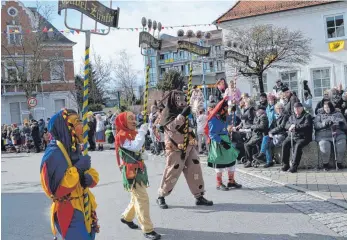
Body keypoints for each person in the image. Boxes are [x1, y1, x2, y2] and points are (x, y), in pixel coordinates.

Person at [40, 109, 99, 240]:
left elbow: (90, 174)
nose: (83, 126)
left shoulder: (74, 148)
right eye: (77, 122)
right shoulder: (54, 153)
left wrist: (90, 178)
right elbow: (55, 190)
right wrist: (78, 169)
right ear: (65, 127)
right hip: (69, 211)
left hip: (84, 207)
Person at [157, 90, 213, 209]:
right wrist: (182, 115)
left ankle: (199, 196)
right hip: (175, 147)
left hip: (188, 145)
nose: (182, 102)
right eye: (179, 99)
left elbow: (190, 125)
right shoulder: (167, 113)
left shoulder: (185, 111)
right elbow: (171, 127)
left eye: (183, 99)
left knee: (195, 169)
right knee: (172, 171)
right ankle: (161, 196)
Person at [115, 112, 161, 240]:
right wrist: (141, 132)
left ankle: (126, 217)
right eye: (130, 119)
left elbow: (139, 149)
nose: (134, 121)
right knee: (142, 199)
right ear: (123, 121)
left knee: (137, 197)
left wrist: (145, 154)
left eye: (134, 118)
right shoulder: (122, 135)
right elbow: (135, 147)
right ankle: (147, 229)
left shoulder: (132, 133)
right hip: (131, 172)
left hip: (139, 169)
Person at [206, 97, 242, 190]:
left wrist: (234, 111)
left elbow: (227, 126)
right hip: (218, 143)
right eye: (225, 109)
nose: (227, 111)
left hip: (226, 140)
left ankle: (231, 181)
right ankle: (219, 183)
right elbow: (212, 134)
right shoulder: (213, 119)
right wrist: (222, 142)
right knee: (220, 162)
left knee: (231, 160)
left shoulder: (224, 117)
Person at [254, 102, 289, 167]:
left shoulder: (285, 116)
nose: (279, 110)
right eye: (277, 109)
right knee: (266, 139)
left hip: (282, 135)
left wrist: (271, 132)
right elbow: (272, 126)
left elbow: (281, 126)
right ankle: (267, 159)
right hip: (275, 135)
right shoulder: (276, 116)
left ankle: (263, 156)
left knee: (267, 142)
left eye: (280, 108)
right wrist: (270, 132)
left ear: (282, 109)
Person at [281, 102, 313, 173]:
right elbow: (286, 125)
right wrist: (290, 126)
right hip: (293, 136)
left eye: (298, 108)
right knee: (285, 144)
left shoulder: (307, 116)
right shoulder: (291, 117)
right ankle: (285, 164)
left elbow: (307, 126)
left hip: (303, 137)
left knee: (297, 146)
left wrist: (295, 127)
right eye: (295, 109)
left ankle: (294, 166)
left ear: (302, 108)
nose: (297, 110)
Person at [314, 101, 346, 170]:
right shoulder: (319, 115)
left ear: (331, 107)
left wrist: (341, 124)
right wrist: (324, 123)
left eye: (328, 107)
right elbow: (316, 125)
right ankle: (325, 164)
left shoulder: (338, 114)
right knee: (324, 147)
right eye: (325, 107)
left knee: (341, 145)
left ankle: (339, 163)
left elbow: (345, 125)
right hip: (323, 136)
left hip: (338, 134)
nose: (327, 109)